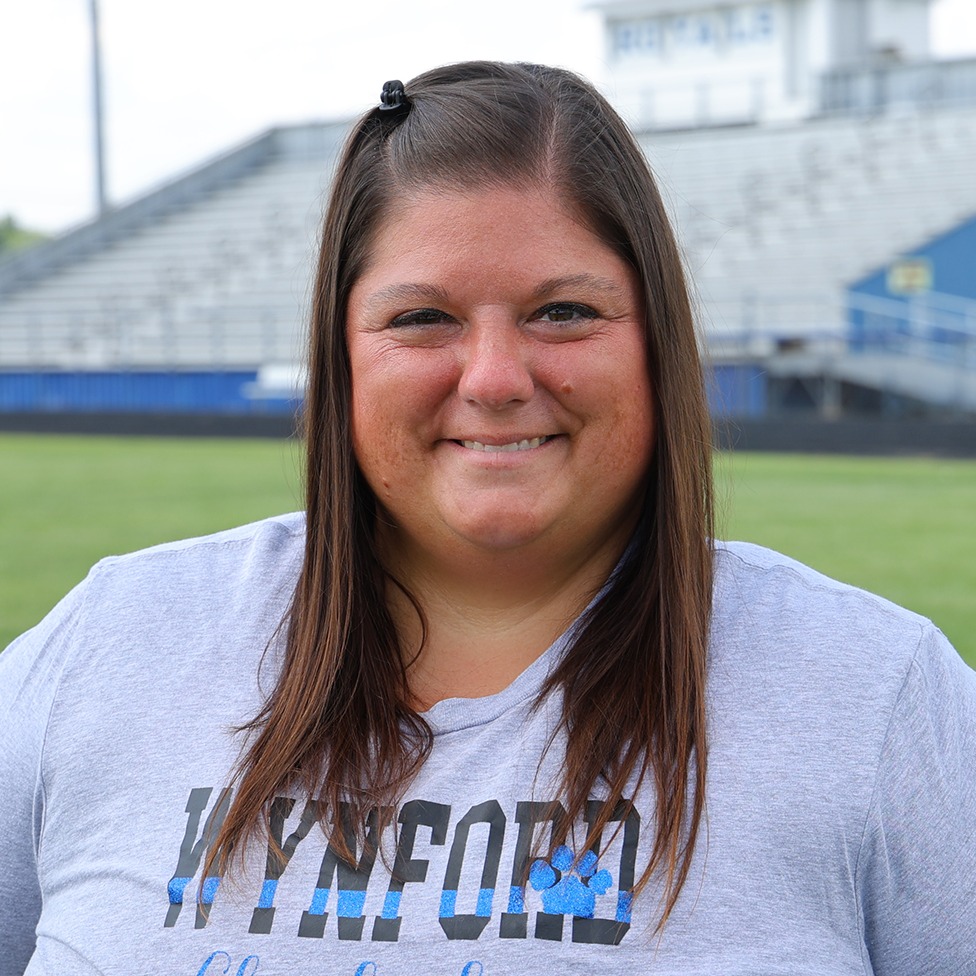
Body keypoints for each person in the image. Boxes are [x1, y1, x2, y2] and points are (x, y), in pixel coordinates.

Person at [1, 61, 974, 976]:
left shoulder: (877, 699)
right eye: (421, 318)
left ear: (656, 340)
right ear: (343, 353)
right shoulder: (108, 647)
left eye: (564, 312)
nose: (496, 379)